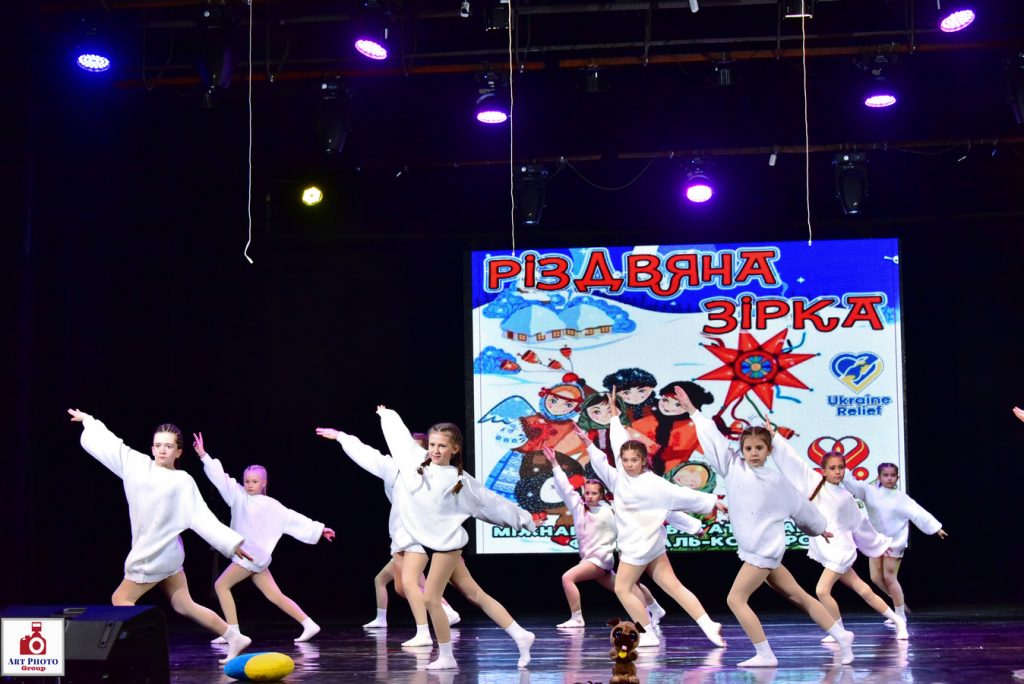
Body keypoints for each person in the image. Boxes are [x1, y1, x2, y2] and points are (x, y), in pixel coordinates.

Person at [683, 385, 856, 667]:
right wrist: (694, 412)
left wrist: (819, 527)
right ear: (741, 450)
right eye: (748, 448)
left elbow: (801, 508)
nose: (753, 453)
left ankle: (765, 654)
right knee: (799, 596)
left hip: (764, 551)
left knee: (736, 599)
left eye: (759, 448)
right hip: (762, 551)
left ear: (768, 450)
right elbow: (714, 441)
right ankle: (841, 635)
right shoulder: (733, 467)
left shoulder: (777, 481)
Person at [68, 409, 253, 664]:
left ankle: (140, 653)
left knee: (121, 599)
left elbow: (201, 517)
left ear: (179, 452)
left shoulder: (182, 481)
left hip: (154, 554)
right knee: (184, 604)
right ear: (152, 447)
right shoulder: (137, 465)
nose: (162, 450)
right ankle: (234, 636)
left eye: (168, 446)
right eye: (158, 445)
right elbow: (113, 446)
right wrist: (89, 421)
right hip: (169, 554)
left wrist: (232, 544)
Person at [377, 406, 537, 670]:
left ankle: (447, 656)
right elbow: (400, 440)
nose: (435, 450)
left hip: (447, 546)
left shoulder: (459, 480)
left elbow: (490, 502)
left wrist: (524, 520)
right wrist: (388, 415)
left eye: (442, 446)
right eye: (432, 444)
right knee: (475, 593)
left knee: (431, 598)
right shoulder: (415, 463)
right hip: (424, 543)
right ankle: (521, 634)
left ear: (455, 449)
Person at [586, 389, 726, 649]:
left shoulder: (655, 484)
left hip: (639, 547)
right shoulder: (622, 477)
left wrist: (712, 502)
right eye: (625, 460)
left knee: (622, 589)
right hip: (651, 545)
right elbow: (618, 441)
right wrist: (614, 415)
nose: (629, 464)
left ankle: (648, 633)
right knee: (673, 586)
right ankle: (708, 624)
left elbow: (683, 496)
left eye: (634, 460)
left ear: (644, 461)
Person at [314, 427, 461, 634]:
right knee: (401, 587)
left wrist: (451, 544)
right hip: (403, 535)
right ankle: (442, 612)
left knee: (410, 584)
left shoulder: (434, 473)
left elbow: (446, 509)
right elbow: (368, 455)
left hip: (415, 535)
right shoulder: (395, 468)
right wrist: (341, 437)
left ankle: (428, 627)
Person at [194, 433, 334, 644]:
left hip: (250, 556)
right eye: (247, 481)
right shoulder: (238, 495)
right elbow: (221, 478)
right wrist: (204, 455)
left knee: (221, 585)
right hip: (255, 557)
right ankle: (308, 623)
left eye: (255, 481)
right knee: (274, 595)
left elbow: (293, 518)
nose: (249, 485)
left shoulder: (271, 506)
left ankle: (232, 634)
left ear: (264, 483)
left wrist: (319, 529)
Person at [769, 432, 908, 640]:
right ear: (823, 470)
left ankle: (839, 632)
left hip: (841, 550)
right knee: (863, 590)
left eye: (841, 467)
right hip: (829, 548)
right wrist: (775, 438)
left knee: (821, 590)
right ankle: (897, 620)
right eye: (833, 468)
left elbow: (860, 525)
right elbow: (794, 462)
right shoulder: (814, 483)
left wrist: (879, 544)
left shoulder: (845, 497)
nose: (838, 472)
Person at [542, 444, 682, 629]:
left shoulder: (610, 511)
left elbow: (632, 523)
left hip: (599, 559)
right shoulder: (578, 508)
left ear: (601, 495)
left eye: (594, 493)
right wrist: (554, 464)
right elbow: (565, 488)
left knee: (567, 578)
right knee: (628, 587)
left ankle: (577, 618)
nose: (589, 496)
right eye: (587, 493)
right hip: (592, 559)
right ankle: (655, 609)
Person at [842, 462, 946, 628]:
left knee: (889, 577)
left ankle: (900, 615)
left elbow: (919, 513)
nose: (889, 478)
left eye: (892, 475)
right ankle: (899, 604)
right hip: (877, 541)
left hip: (894, 541)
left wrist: (936, 528)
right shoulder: (870, 491)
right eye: (885, 475)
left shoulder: (901, 498)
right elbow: (851, 483)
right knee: (876, 578)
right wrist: (843, 468)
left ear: (897, 477)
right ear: (879, 477)